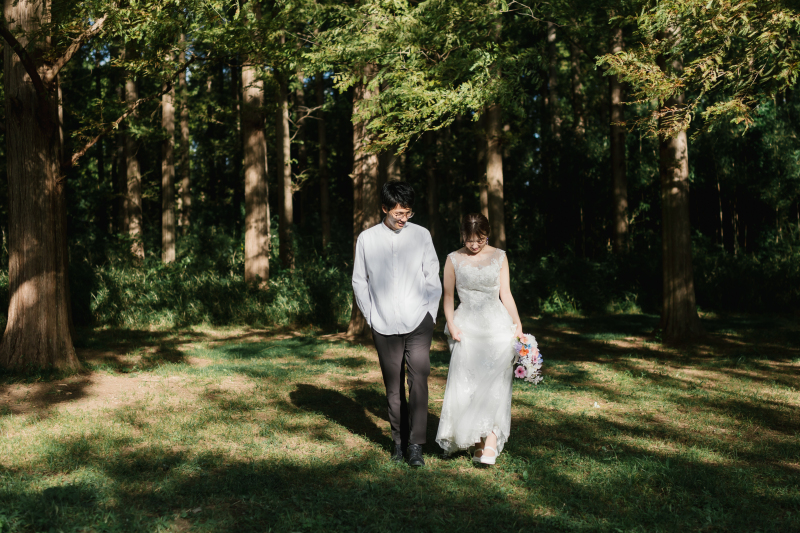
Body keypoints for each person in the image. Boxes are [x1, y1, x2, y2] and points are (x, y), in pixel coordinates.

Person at [352, 181, 442, 467]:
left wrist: (431, 314)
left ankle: (416, 445)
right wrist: (371, 316)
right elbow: (359, 281)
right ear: (384, 208)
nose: (403, 219)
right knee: (393, 389)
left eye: (408, 213)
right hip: (384, 324)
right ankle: (398, 443)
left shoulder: (422, 235)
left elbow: (433, 276)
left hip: (419, 320)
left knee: (419, 383)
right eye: (398, 213)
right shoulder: (366, 239)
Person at [435, 213, 524, 465]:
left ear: (488, 235)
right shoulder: (453, 259)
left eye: (481, 239)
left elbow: (505, 293)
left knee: (497, 383)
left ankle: (492, 440)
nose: (475, 245)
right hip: (466, 326)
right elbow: (449, 297)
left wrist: (517, 324)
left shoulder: (500, 256)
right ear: (463, 235)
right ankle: (477, 441)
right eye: (470, 240)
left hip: (497, 324)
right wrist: (451, 324)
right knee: (469, 385)